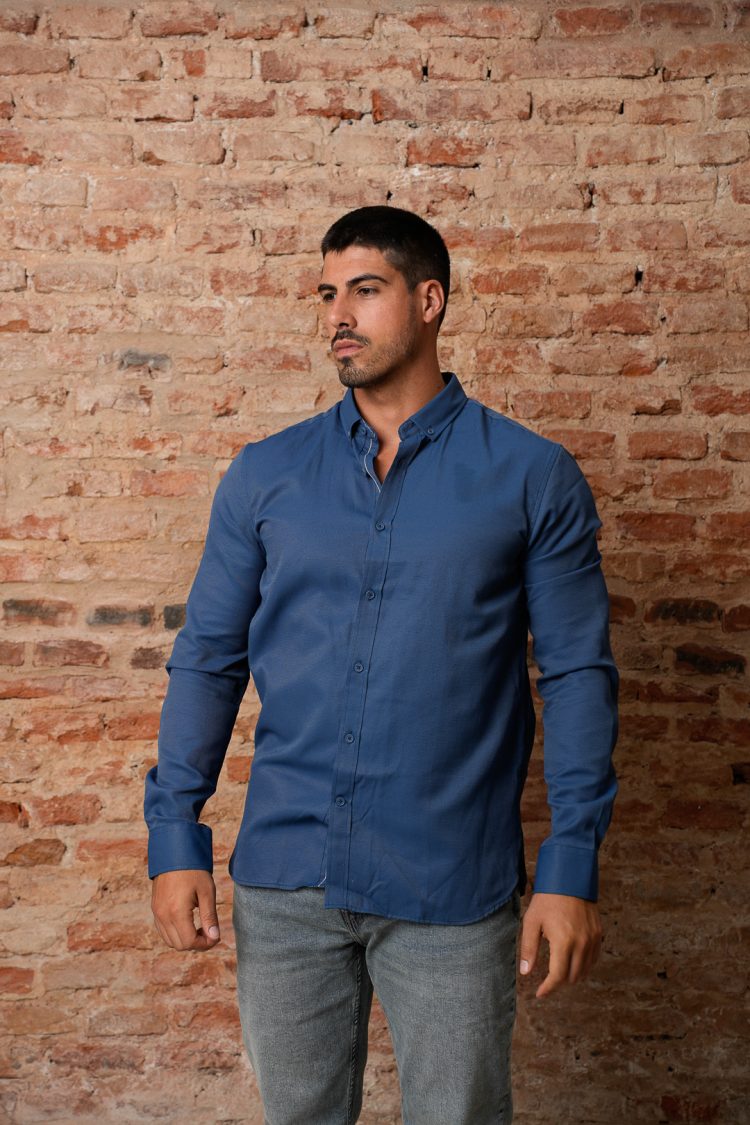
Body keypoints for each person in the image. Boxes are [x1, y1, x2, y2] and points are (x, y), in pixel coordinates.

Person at [144, 205, 619, 1124]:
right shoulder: (266, 475)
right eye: (328, 293)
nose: (339, 315)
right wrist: (175, 835)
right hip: (286, 877)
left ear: (429, 301)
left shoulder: (533, 476)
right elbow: (207, 660)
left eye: (365, 290)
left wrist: (569, 865)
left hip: (451, 884)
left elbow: (575, 676)